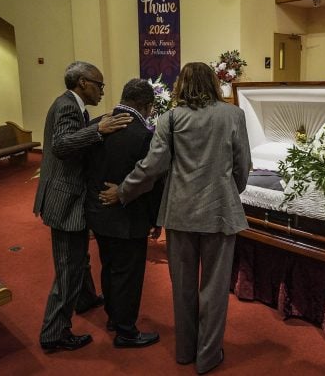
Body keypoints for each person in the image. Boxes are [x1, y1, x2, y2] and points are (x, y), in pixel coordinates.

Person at [100, 62, 251, 374]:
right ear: (213, 83)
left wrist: (124, 190)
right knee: (215, 288)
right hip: (220, 212)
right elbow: (243, 165)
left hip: (180, 214)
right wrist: (228, 192)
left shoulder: (170, 118)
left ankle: (184, 351)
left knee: (182, 287)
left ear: (181, 84)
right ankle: (208, 357)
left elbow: (153, 165)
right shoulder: (233, 115)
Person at [34, 61, 133, 352]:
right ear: (82, 82)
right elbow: (62, 145)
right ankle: (54, 333)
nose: (102, 90)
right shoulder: (67, 105)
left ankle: (86, 298)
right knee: (68, 266)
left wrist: (95, 123)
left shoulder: (73, 105)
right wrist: (98, 130)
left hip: (66, 196)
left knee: (79, 258)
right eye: (99, 84)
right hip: (65, 199)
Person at [84, 78, 164, 348]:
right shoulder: (143, 135)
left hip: (99, 211)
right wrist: (156, 219)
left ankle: (112, 317)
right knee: (129, 275)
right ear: (146, 105)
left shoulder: (98, 125)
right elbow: (150, 181)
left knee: (109, 267)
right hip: (129, 216)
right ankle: (126, 331)